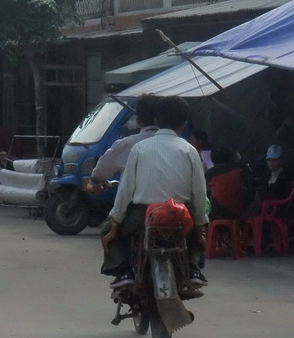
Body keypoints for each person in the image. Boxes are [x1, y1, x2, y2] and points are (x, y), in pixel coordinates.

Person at [99, 96, 209, 289]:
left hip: (143, 214)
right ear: (184, 124)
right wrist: (200, 231)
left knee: (106, 230)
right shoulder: (191, 151)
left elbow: (125, 190)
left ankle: (124, 270)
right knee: (195, 235)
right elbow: (199, 195)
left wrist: (115, 224)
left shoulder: (140, 148)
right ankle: (192, 268)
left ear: (157, 120)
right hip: (181, 215)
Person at [86, 94, 160, 193]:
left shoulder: (127, 145)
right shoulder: (183, 147)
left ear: (138, 120)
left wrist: (94, 184)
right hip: (177, 206)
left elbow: (98, 175)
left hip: (137, 206)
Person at [205, 147, 245, 221]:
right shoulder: (237, 170)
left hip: (218, 214)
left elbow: (205, 191)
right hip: (237, 211)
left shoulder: (209, 173)